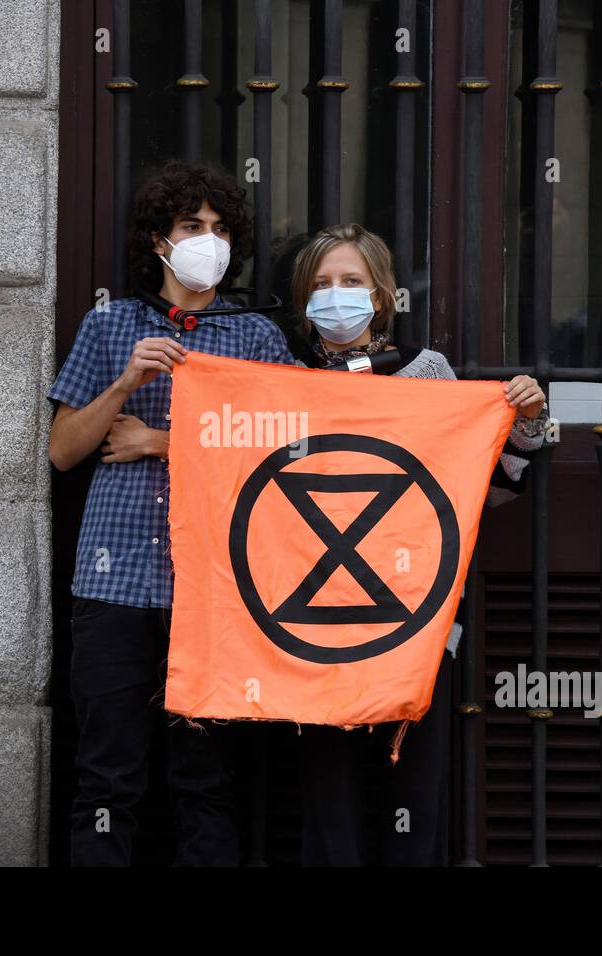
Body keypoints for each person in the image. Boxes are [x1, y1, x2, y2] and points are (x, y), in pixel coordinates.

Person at [47, 160, 296, 866]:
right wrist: (127, 380)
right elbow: (64, 451)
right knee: (106, 778)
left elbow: (283, 461)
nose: (207, 241)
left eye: (220, 229)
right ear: (160, 240)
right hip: (115, 584)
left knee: (206, 783)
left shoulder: (254, 338)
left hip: (213, 590)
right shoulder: (111, 325)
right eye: (193, 227)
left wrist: (160, 440)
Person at [289, 222, 547, 866]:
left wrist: (526, 420)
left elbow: (482, 488)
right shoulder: (279, 379)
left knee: (415, 789)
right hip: (311, 615)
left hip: (414, 613)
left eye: (350, 281)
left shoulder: (427, 373)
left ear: (380, 295)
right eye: (321, 285)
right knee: (328, 794)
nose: (336, 296)